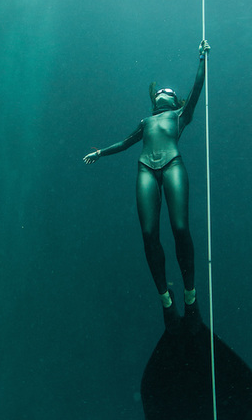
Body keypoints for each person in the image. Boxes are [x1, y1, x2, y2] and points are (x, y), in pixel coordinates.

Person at [83, 39, 210, 333]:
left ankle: (190, 296)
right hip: (145, 169)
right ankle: (166, 300)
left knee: (180, 229)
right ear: (153, 101)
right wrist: (100, 152)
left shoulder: (181, 115)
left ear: (174, 101)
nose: (165, 92)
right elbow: (127, 142)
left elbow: (197, 90)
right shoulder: (145, 121)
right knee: (149, 234)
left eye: (170, 92)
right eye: (160, 92)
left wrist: (202, 59)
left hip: (173, 164)